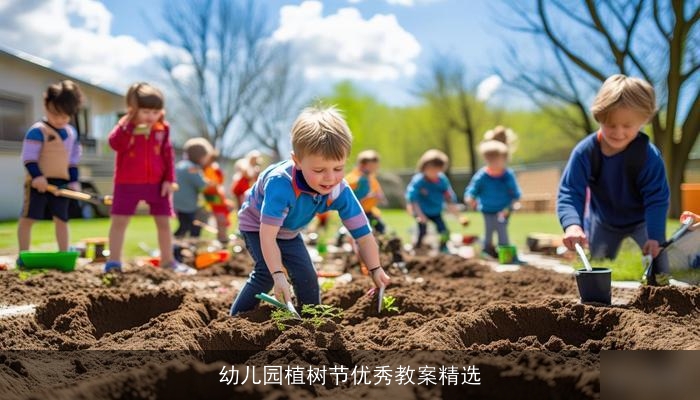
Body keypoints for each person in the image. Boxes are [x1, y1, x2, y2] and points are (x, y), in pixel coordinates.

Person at [230, 106, 390, 315]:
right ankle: (235, 319)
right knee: (266, 275)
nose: (330, 178)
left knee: (307, 276)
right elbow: (267, 237)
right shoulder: (281, 185)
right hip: (257, 226)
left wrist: (376, 268)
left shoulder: (339, 191)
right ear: (297, 161)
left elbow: (363, 234)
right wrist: (279, 275)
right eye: (319, 170)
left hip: (289, 231)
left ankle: (311, 320)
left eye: (338, 168)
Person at [557, 74, 670, 271]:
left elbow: (657, 198)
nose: (618, 132)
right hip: (603, 220)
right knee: (596, 266)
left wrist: (655, 236)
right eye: (611, 125)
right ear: (600, 117)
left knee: (659, 264)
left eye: (627, 126)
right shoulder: (585, 152)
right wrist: (573, 225)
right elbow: (570, 191)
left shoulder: (648, 156)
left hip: (642, 221)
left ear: (643, 120)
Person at [104, 82, 195, 275]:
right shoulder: (125, 127)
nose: (151, 117)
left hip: (158, 184)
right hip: (127, 183)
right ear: (133, 109)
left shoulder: (162, 128)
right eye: (145, 111)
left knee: (164, 222)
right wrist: (128, 124)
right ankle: (113, 262)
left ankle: (168, 261)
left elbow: (167, 154)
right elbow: (114, 144)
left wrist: (169, 179)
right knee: (119, 221)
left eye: (155, 112)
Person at [18, 80, 83, 262]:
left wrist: (73, 181)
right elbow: (28, 157)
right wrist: (38, 176)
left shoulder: (71, 133)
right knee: (29, 218)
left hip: (61, 183)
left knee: (62, 219)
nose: (60, 120)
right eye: (56, 114)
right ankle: (23, 255)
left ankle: (63, 254)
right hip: (39, 182)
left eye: (65, 116)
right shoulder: (37, 131)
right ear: (46, 105)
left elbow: (72, 161)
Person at [464, 127, 521, 258]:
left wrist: (513, 203)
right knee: (489, 230)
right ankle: (487, 250)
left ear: (504, 159)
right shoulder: (482, 175)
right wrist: (470, 197)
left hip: (503, 209)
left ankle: (505, 253)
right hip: (487, 209)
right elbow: (473, 188)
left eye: (496, 161)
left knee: (502, 230)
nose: (493, 164)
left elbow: (515, 193)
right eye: (490, 161)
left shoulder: (507, 175)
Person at [405, 149, 461, 253]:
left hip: (436, 211)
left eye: (437, 170)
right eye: (431, 169)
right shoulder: (419, 181)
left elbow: (448, 196)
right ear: (424, 167)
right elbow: (412, 198)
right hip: (422, 211)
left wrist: (456, 213)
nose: (434, 173)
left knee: (444, 231)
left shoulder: (442, 180)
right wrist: (419, 214)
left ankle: (443, 247)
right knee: (423, 232)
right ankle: (418, 247)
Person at [173, 137, 215, 240]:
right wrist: (210, 183)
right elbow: (202, 185)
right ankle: (187, 245)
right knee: (194, 225)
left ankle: (177, 246)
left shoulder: (181, 165)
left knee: (184, 225)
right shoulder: (193, 168)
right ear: (200, 157)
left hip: (177, 203)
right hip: (187, 205)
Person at [345, 150, 386, 234]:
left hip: (369, 211)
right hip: (356, 212)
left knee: (380, 228)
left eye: (375, 166)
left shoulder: (370, 178)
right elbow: (349, 198)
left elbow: (378, 192)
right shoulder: (354, 179)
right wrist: (367, 196)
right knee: (358, 230)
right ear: (361, 165)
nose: (374, 169)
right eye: (371, 166)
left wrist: (380, 197)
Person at [202, 152, 233, 244]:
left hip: (216, 195)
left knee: (223, 215)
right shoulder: (209, 169)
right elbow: (214, 183)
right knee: (221, 217)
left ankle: (222, 237)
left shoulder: (213, 168)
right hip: (212, 196)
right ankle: (222, 238)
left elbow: (219, 181)